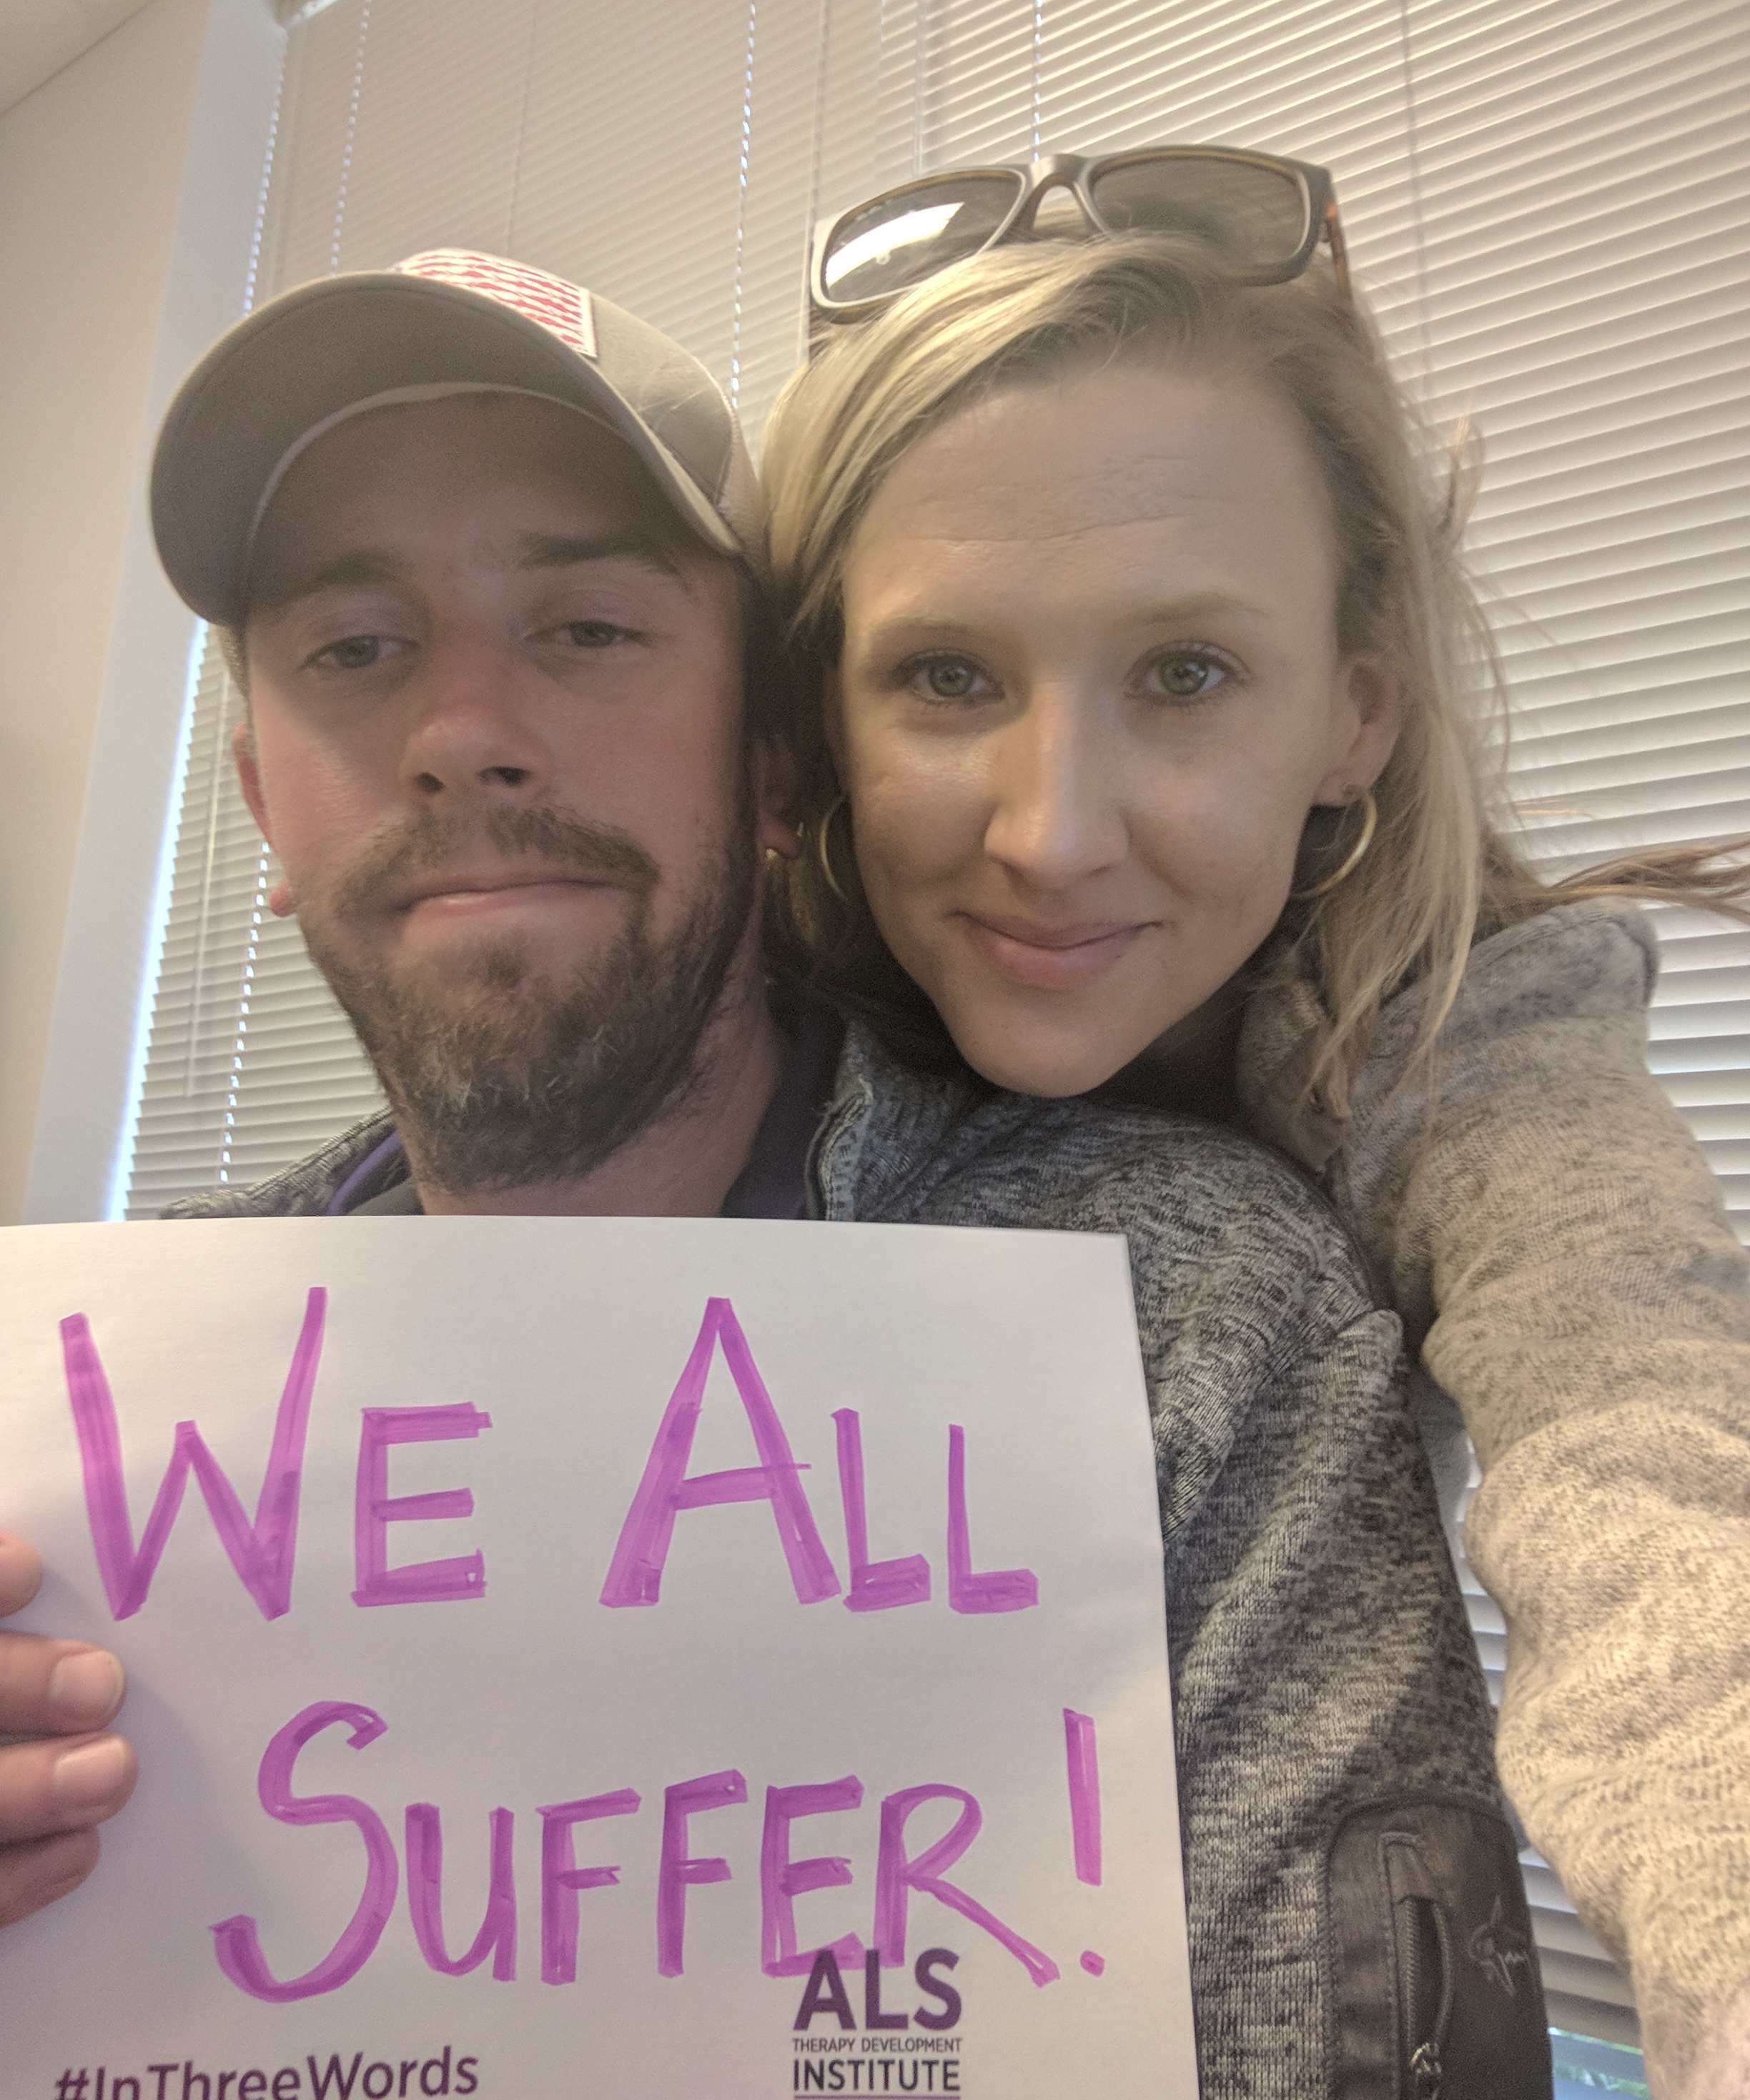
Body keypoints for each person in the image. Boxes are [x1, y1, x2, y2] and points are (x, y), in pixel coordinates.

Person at [0, 250, 1552, 2097]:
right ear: (264, 797)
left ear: (773, 762)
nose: (463, 729)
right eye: (355, 645)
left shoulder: (1187, 1311)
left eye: (585, 627)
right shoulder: (84, 1433)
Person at [758, 169, 1750, 2100]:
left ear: (1355, 711)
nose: (1052, 830)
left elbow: (1646, 1465)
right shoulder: (766, 1021)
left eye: (1188, 675)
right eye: (948, 676)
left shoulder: (1464, 1044)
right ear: (816, 721)